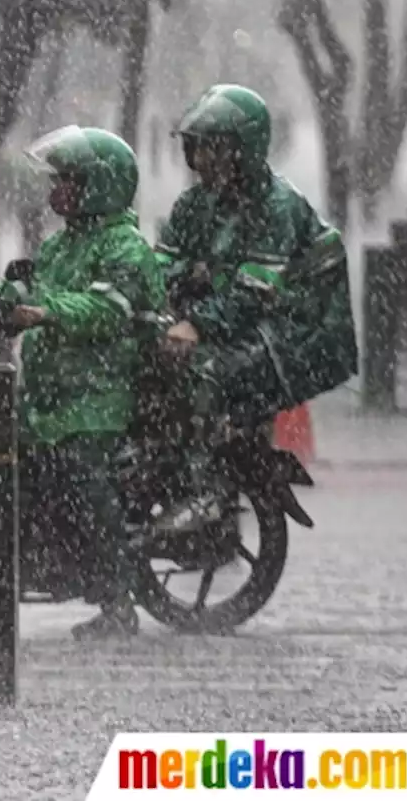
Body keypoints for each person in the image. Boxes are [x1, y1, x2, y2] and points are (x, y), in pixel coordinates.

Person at [0, 126, 166, 639]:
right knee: (0, 482)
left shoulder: (125, 248)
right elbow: (33, 285)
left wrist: (43, 312)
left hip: (95, 400)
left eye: (66, 182)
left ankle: (117, 601)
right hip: (50, 398)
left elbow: (105, 308)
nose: (54, 193)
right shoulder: (63, 244)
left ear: (96, 187)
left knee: (79, 483)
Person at [155, 84, 356, 523]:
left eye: (216, 149)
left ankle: (209, 491)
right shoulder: (195, 204)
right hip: (244, 320)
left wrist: (199, 324)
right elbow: (162, 266)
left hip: (297, 330)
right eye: (198, 149)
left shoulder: (276, 207)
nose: (204, 160)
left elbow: (254, 292)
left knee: (209, 372)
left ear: (243, 150)